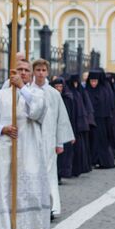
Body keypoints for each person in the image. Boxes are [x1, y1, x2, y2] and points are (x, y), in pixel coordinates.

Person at [0, 55, 50, 229]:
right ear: (12, 72)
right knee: (5, 192)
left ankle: (34, 225)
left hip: (28, 149)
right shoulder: (0, 96)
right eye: (19, 70)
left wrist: (23, 89)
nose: (23, 73)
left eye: (26, 70)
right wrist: (2, 129)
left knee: (30, 189)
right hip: (5, 150)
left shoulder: (36, 94)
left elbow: (38, 111)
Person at [30, 59, 75, 219]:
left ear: (47, 72)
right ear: (33, 72)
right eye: (38, 70)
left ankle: (51, 206)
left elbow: (60, 119)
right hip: (32, 141)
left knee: (49, 174)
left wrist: (60, 142)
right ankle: (35, 205)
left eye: (43, 70)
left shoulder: (54, 94)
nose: (41, 73)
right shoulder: (28, 91)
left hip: (49, 140)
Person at [83, 69, 115, 169]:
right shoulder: (87, 90)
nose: (93, 83)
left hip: (102, 121)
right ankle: (93, 160)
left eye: (95, 81)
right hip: (91, 121)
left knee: (101, 142)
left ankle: (103, 161)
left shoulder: (104, 91)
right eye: (91, 81)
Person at [63, 74, 94, 176]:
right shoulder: (70, 93)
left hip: (80, 125)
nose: (76, 85)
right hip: (73, 124)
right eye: (74, 83)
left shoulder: (78, 92)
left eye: (77, 83)